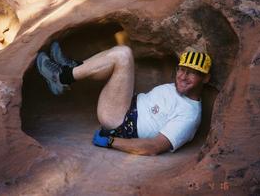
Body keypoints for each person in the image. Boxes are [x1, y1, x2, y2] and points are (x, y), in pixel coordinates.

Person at [36, 42, 211, 155]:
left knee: (123, 55)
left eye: (193, 73)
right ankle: (72, 67)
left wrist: (111, 141)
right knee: (118, 54)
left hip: (121, 122)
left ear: (206, 78)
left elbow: (154, 147)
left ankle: (62, 77)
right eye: (182, 69)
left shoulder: (189, 114)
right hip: (126, 105)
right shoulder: (175, 88)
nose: (183, 76)